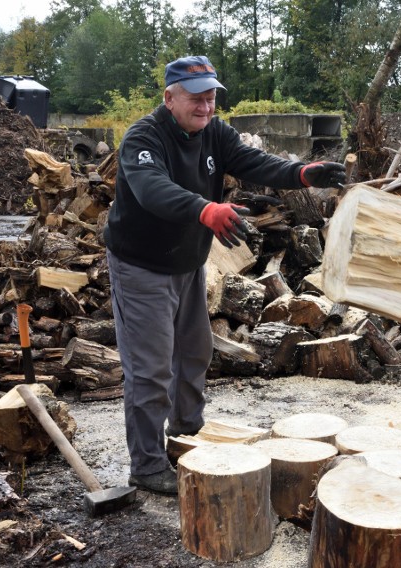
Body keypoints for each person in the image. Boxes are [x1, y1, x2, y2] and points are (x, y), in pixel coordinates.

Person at [104, 55, 346, 494]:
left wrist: (301, 173)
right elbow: (151, 189)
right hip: (141, 266)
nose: (206, 105)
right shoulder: (145, 136)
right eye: (196, 97)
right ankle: (146, 464)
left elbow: (253, 161)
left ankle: (187, 435)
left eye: (211, 96)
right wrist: (204, 208)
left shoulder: (215, 132)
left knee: (194, 352)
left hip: (187, 262)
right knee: (151, 368)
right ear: (170, 97)